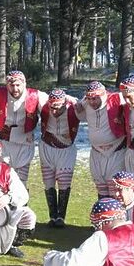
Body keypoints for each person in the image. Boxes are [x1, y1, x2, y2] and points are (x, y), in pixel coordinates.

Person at [0, 70, 42, 183]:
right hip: (4, 141)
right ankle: (4, 200)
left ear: (24, 84)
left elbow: (53, 103)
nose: (15, 89)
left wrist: (69, 99)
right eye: (11, 85)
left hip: (25, 142)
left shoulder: (35, 95)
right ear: (7, 85)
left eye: (18, 85)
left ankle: (23, 201)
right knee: (3, 179)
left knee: (21, 181)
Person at [76, 80, 127, 196]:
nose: (92, 102)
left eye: (95, 99)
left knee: (116, 188)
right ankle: (103, 213)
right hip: (96, 152)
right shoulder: (85, 103)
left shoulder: (117, 99)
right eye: (89, 99)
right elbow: (81, 115)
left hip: (116, 150)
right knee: (101, 189)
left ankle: (117, 213)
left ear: (103, 95)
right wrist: (78, 109)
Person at [39, 88, 80, 228]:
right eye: (52, 108)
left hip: (66, 149)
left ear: (64, 104)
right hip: (47, 147)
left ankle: (61, 217)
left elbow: (88, 105)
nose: (54, 111)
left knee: (64, 182)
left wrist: (71, 98)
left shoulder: (74, 109)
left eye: (58, 108)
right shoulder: (44, 106)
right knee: (48, 182)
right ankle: (52, 216)